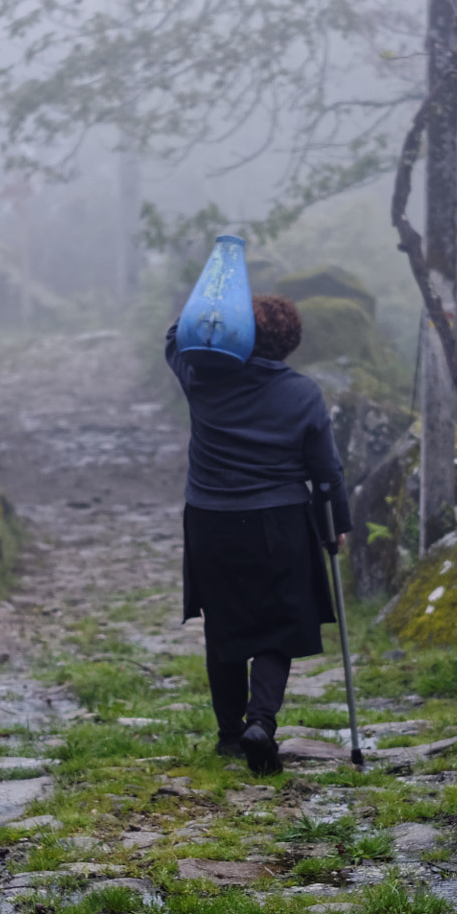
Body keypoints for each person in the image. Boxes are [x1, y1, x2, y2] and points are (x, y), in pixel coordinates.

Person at [167, 294, 350, 775]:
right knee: (280, 624)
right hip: (280, 523)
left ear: (241, 334)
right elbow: (326, 473)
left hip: (211, 521)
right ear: (291, 344)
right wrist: (337, 527)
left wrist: (213, 308)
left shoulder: (203, 379)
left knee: (223, 625)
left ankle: (230, 736)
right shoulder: (304, 393)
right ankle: (260, 723)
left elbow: (175, 338)